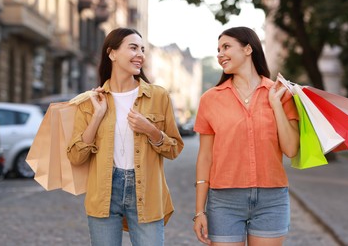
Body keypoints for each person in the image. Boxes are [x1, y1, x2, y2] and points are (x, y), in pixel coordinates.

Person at [67, 27, 184, 246]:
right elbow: (75, 156)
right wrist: (97, 116)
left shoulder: (158, 96)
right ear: (112, 53)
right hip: (103, 193)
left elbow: (175, 148)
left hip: (146, 192)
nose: (140, 54)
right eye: (133, 48)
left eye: (142, 49)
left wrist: (151, 130)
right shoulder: (91, 101)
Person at [193, 26, 300, 246]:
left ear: (248, 49)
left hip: (271, 200)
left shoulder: (280, 93)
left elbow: (290, 149)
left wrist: (275, 105)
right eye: (218, 49)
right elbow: (205, 157)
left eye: (226, 47)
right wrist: (199, 211)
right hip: (224, 201)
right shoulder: (210, 99)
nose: (220, 54)